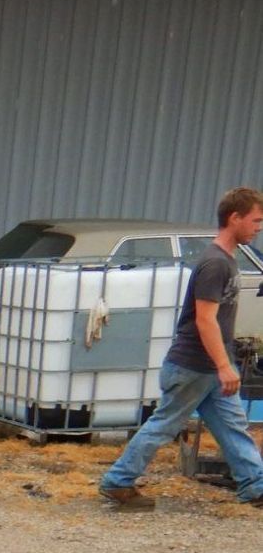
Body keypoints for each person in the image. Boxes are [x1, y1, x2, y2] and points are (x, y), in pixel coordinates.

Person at [99, 186, 263, 509]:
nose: (258, 228)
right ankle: (117, 481)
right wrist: (224, 365)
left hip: (209, 369)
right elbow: (205, 320)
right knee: (163, 426)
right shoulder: (215, 263)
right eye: (255, 220)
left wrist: (223, 364)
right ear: (235, 218)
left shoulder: (226, 260)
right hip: (193, 367)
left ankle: (255, 487)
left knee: (233, 427)